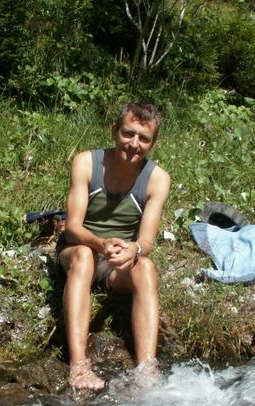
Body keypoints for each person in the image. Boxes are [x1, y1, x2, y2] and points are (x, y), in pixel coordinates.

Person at [57, 102, 171, 391]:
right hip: (78, 250)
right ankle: (79, 366)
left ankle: (147, 370)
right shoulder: (86, 163)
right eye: (128, 133)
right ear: (114, 131)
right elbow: (72, 228)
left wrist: (135, 250)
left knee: (146, 268)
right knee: (84, 255)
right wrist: (100, 243)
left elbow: (146, 241)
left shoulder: (158, 179)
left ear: (153, 143)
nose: (134, 144)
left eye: (144, 138)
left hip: (116, 262)